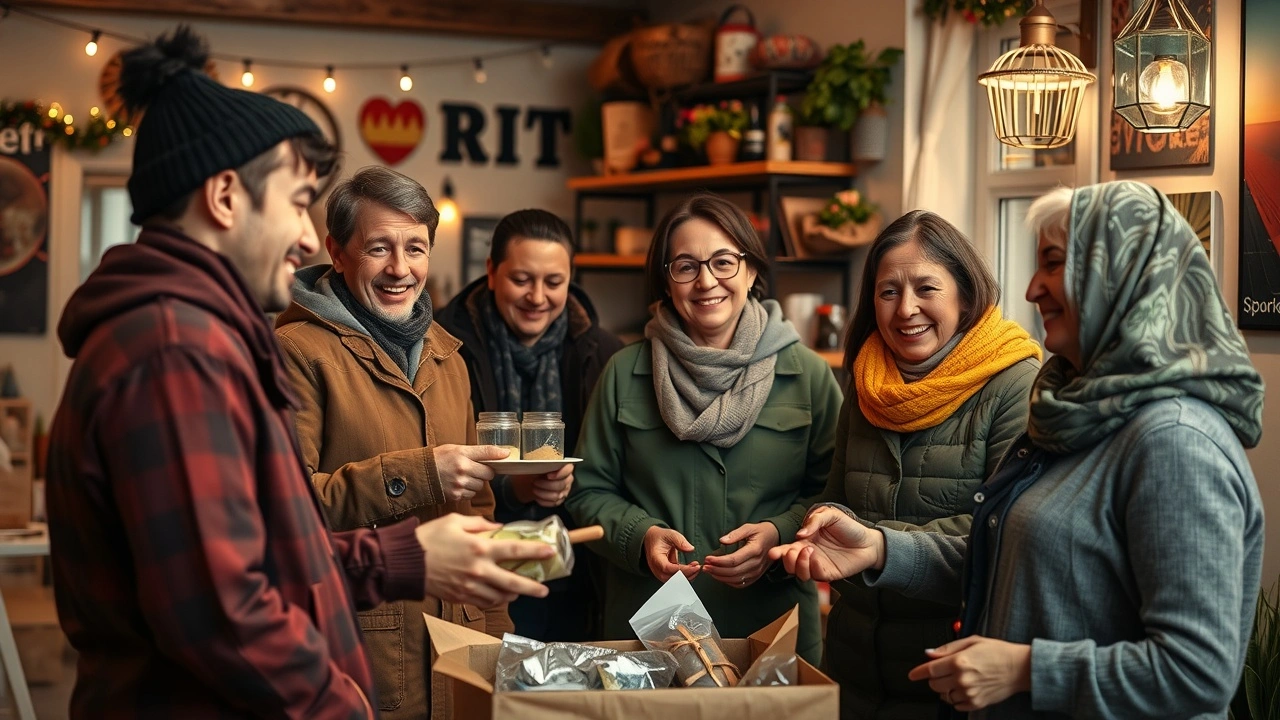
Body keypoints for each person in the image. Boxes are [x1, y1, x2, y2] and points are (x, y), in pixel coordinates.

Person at [46, 29, 551, 719]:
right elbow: (221, 611)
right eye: (295, 202)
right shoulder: (174, 351)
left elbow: (270, 555)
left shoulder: (205, 337)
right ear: (226, 196)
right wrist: (336, 702)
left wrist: (403, 560)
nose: (310, 237)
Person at [771, 181, 1265, 718]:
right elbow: (999, 547)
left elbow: (1198, 672)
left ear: (1120, 278)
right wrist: (880, 548)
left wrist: (1024, 668)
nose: (1031, 289)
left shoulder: (1175, 442)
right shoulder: (1073, 411)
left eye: (1053, 264)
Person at [274, 167, 563, 719]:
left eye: (416, 248)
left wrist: (499, 643)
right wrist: (422, 472)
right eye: (378, 248)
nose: (401, 270)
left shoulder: (447, 356)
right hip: (362, 656)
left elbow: (479, 512)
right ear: (337, 252)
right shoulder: (296, 353)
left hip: (459, 657)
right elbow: (287, 511)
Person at [566, 193, 843, 664]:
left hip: (772, 627)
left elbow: (837, 493)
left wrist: (778, 535)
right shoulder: (623, 372)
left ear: (752, 270)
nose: (706, 281)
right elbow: (586, 490)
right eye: (686, 266)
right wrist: (641, 536)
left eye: (723, 262)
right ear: (666, 282)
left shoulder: (809, 375)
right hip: (651, 631)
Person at [798, 210, 1041, 718]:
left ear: (966, 295)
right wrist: (801, 530)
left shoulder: (1015, 382)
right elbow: (836, 497)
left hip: (952, 677)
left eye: (926, 288)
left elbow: (1004, 532)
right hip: (853, 670)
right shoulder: (867, 379)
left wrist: (879, 547)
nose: (906, 309)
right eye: (888, 292)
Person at [437, 208, 623, 641]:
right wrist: (512, 488)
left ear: (571, 279)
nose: (537, 297)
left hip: (577, 568)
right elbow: (435, 455)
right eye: (521, 279)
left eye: (554, 282)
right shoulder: (444, 347)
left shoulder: (603, 353)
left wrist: (575, 483)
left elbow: (617, 467)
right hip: (476, 566)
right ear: (491, 272)